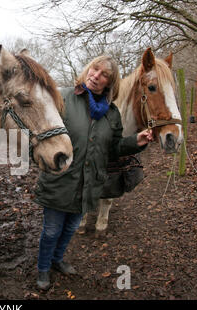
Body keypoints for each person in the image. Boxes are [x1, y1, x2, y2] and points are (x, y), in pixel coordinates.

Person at [34, 56, 153, 291]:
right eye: (94, 69)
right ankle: (43, 268)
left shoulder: (111, 113)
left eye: (103, 74)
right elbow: (39, 132)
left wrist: (135, 142)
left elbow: (115, 147)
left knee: (69, 229)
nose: (95, 76)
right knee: (51, 231)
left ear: (110, 83)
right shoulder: (63, 97)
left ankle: (57, 260)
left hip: (89, 184)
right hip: (61, 180)